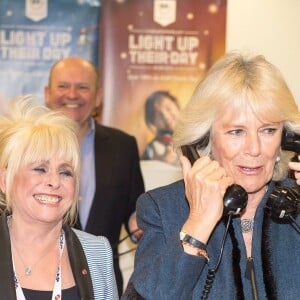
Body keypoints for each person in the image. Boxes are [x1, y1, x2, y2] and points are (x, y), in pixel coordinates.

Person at [123, 51, 300, 299]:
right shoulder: (163, 209)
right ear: (204, 140)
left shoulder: (295, 207)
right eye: (237, 132)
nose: (254, 149)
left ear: (286, 138)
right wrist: (198, 223)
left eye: (268, 130)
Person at [44, 56, 145, 296]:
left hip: (103, 281)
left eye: (83, 87)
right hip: (39, 280)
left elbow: (135, 210)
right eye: (62, 86)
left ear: (98, 96)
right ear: (47, 93)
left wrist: (141, 224)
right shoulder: (27, 146)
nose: (72, 94)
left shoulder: (124, 146)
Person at [0, 98, 118, 299]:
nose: (54, 182)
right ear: (5, 180)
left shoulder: (98, 252)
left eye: (65, 172)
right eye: (40, 169)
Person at [141, 90, 180, 165]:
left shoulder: (196, 136)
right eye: (158, 114)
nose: (166, 117)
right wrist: (157, 163)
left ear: (176, 105)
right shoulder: (151, 149)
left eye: (168, 108)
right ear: (152, 121)